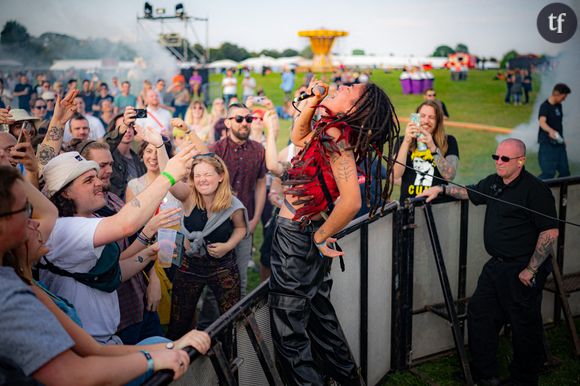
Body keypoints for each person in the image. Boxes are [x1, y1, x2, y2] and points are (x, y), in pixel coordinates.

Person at [0, 165, 210, 385]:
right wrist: (169, 174)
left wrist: (170, 347)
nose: (35, 222)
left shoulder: (26, 283)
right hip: (96, 363)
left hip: (108, 345)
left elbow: (95, 346)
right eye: (26, 211)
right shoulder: (12, 290)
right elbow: (125, 224)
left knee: (159, 339)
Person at [270, 78, 399, 384]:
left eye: (349, 89)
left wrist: (318, 235)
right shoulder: (333, 131)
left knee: (290, 336)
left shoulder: (335, 136)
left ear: (356, 108)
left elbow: (352, 201)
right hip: (306, 233)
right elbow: (299, 136)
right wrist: (314, 101)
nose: (341, 86)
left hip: (296, 237)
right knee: (319, 319)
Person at [419, 138, 558, 386]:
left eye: (505, 159)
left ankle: (524, 379)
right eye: (497, 157)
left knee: (523, 325)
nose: (499, 162)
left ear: (521, 161)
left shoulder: (535, 190)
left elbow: (549, 232)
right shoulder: (494, 183)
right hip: (496, 266)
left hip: (522, 269)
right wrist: (441, 189)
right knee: (480, 313)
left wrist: (531, 269)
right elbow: (469, 192)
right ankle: (485, 372)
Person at [167, 154, 247, 340]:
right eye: (198, 175)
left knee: (231, 318)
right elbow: (169, 181)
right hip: (190, 266)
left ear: (220, 176)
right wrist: (160, 146)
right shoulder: (188, 197)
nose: (202, 179)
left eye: (208, 174)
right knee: (179, 320)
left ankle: (229, 359)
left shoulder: (232, 204)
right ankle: (179, 360)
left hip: (222, 266)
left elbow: (241, 228)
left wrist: (228, 246)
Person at [393, 100, 459, 201]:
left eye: (431, 117)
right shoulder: (402, 141)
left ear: (438, 121)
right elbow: (395, 175)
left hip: (438, 206)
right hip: (409, 206)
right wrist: (406, 141)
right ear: (416, 118)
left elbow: (449, 176)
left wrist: (433, 147)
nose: (426, 121)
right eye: (422, 116)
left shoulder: (449, 141)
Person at [537, 83, 571, 180]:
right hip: (547, 144)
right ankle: (532, 191)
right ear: (557, 93)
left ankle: (562, 195)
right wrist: (550, 131)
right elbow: (542, 122)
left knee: (565, 173)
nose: (564, 99)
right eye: (563, 96)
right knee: (548, 173)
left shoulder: (559, 106)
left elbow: (558, 125)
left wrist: (562, 140)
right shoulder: (544, 106)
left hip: (559, 145)